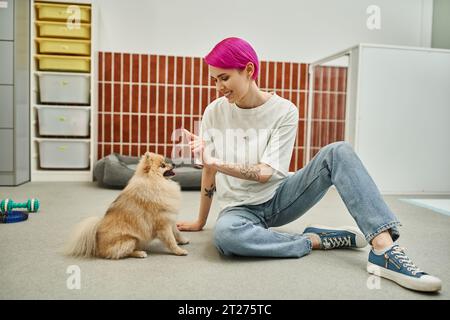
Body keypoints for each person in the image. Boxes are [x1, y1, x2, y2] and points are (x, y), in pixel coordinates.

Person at [177, 37, 442, 293]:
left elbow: (265, 173)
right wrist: (201, 221)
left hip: (280, 198)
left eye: (224, 78)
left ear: (248, 70)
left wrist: (216, 161)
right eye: (214, 80)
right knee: (226, 237)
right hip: (238, 210)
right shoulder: (214, 111)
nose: (218, 88)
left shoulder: (284, 111)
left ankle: (385, 251)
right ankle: (316, 240)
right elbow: (209, 169)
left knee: (339, 151)